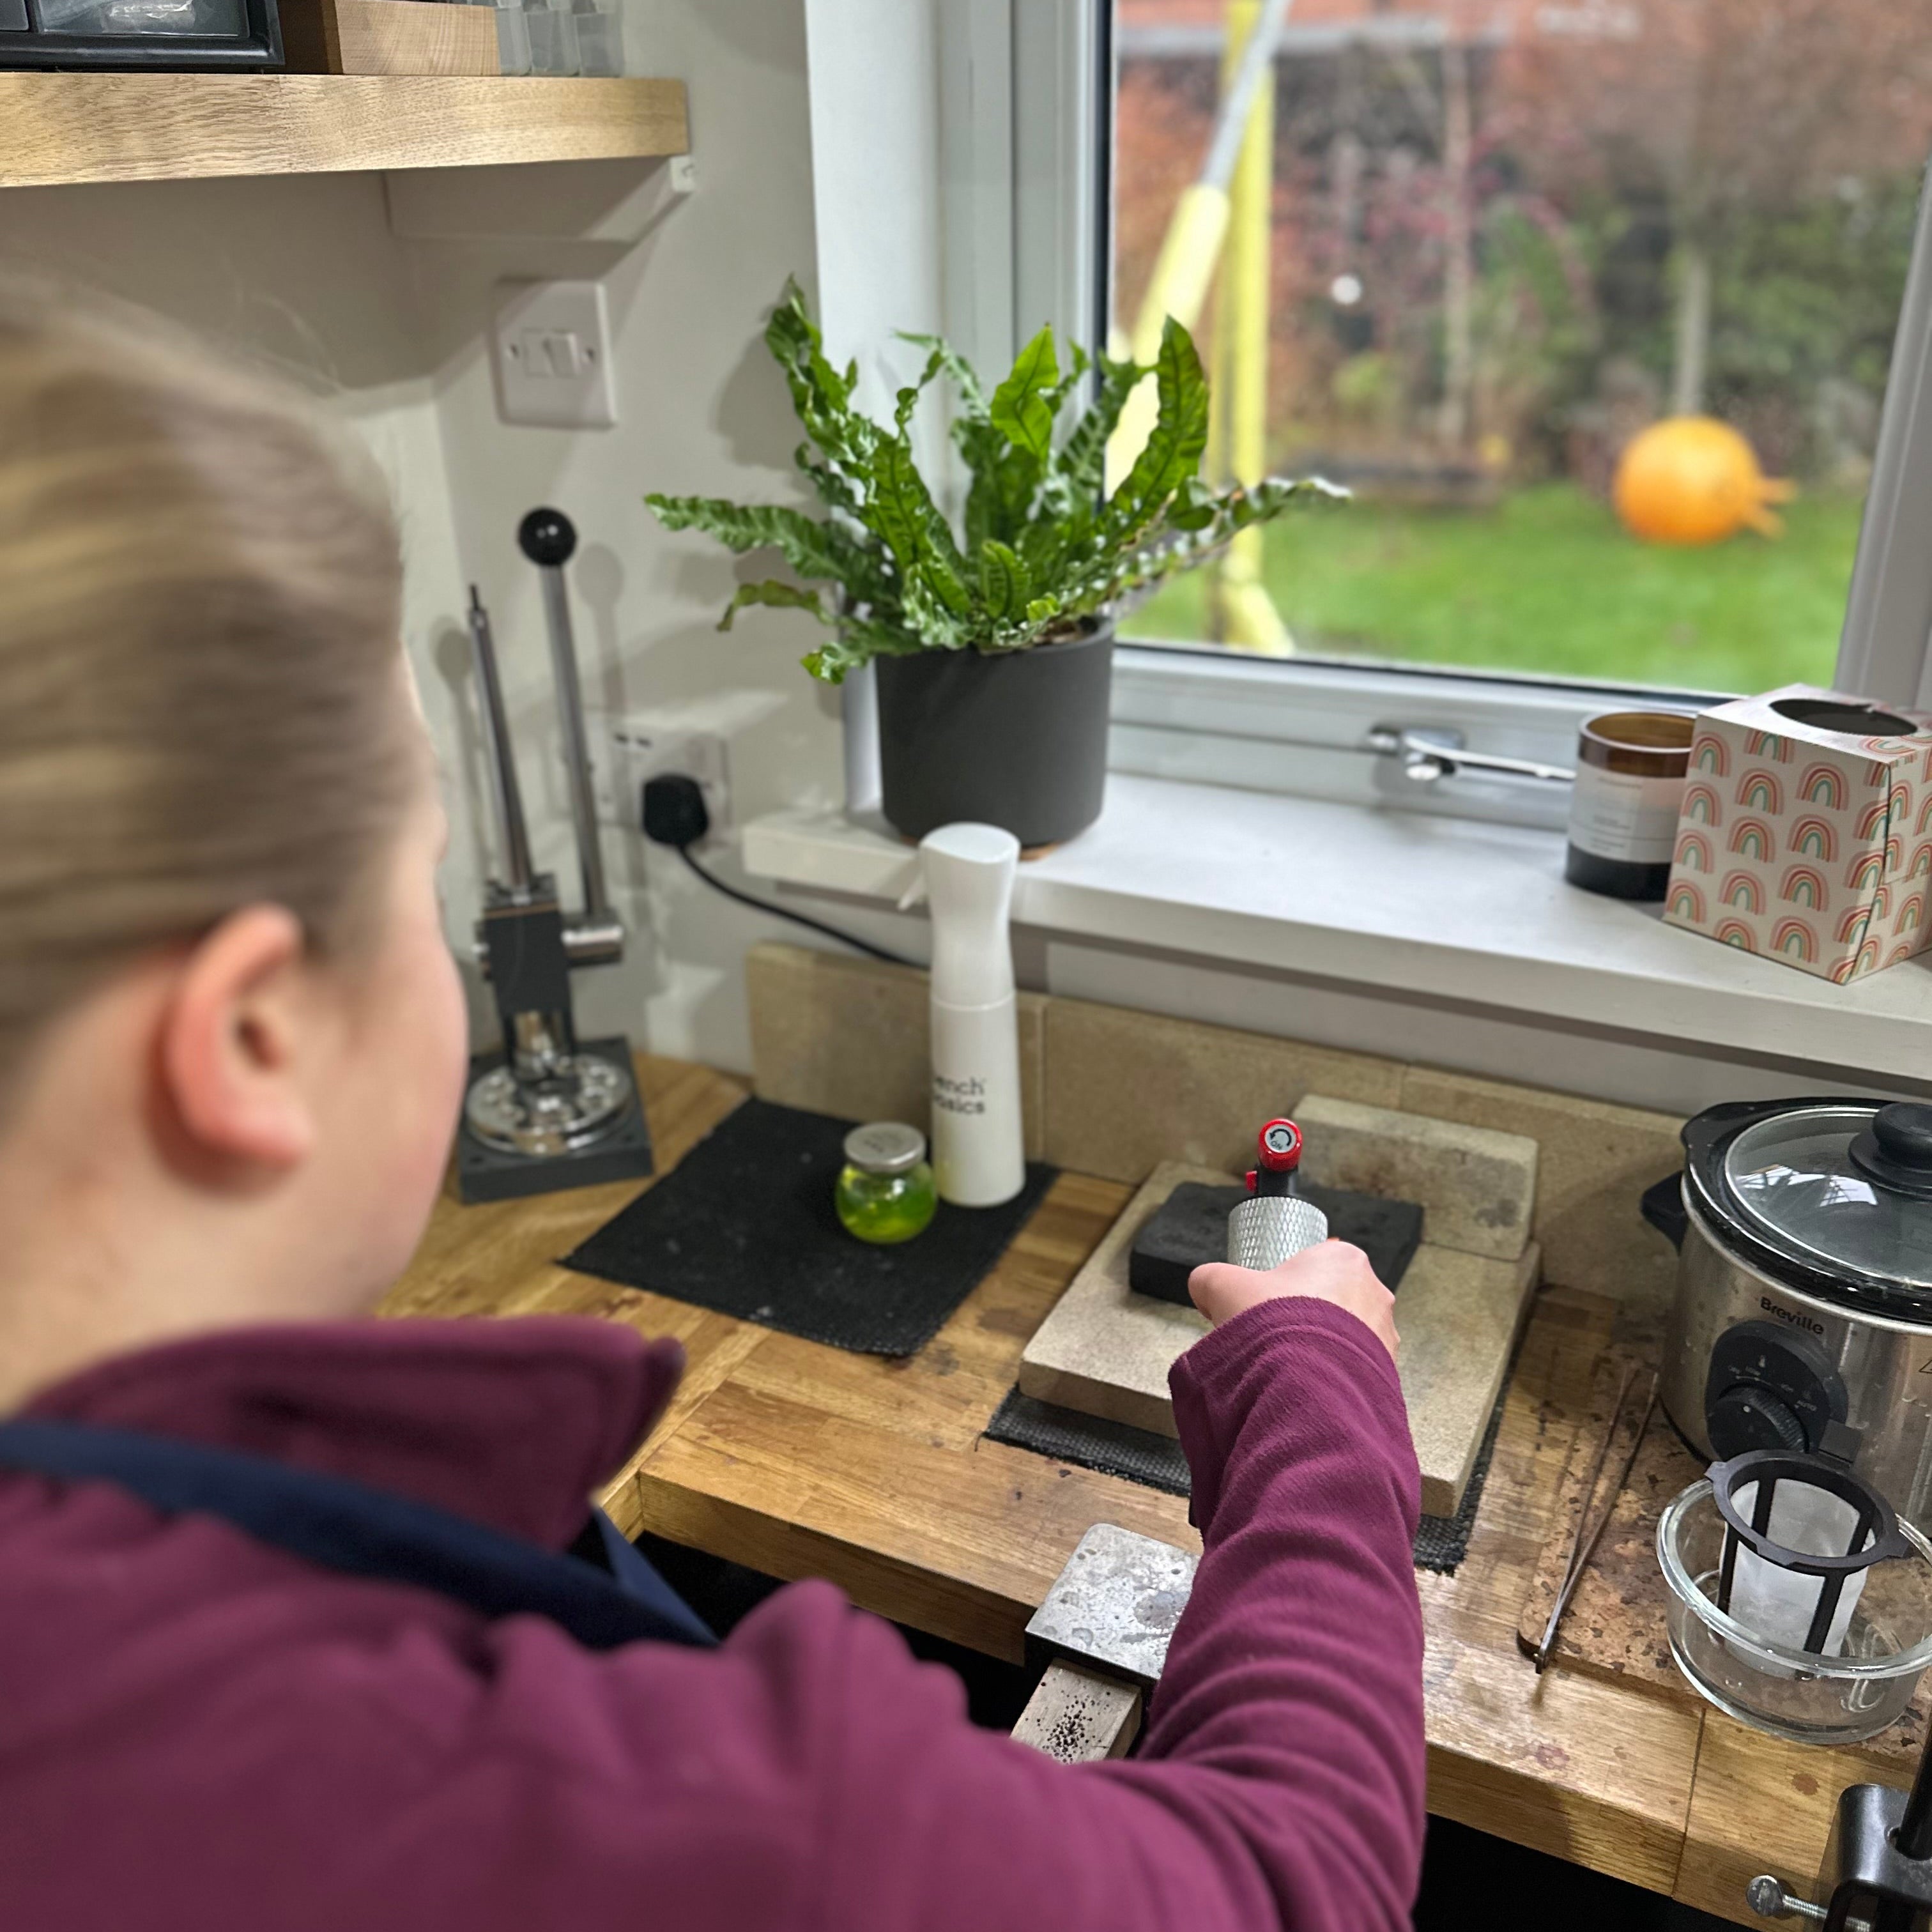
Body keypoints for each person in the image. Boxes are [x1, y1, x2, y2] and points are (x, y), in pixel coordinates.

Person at [0, 282, 1425, 1932]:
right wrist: (1323, 1389)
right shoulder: (580, 1800)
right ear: (247, 1037)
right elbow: (1288, 1885)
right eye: (422, 871)